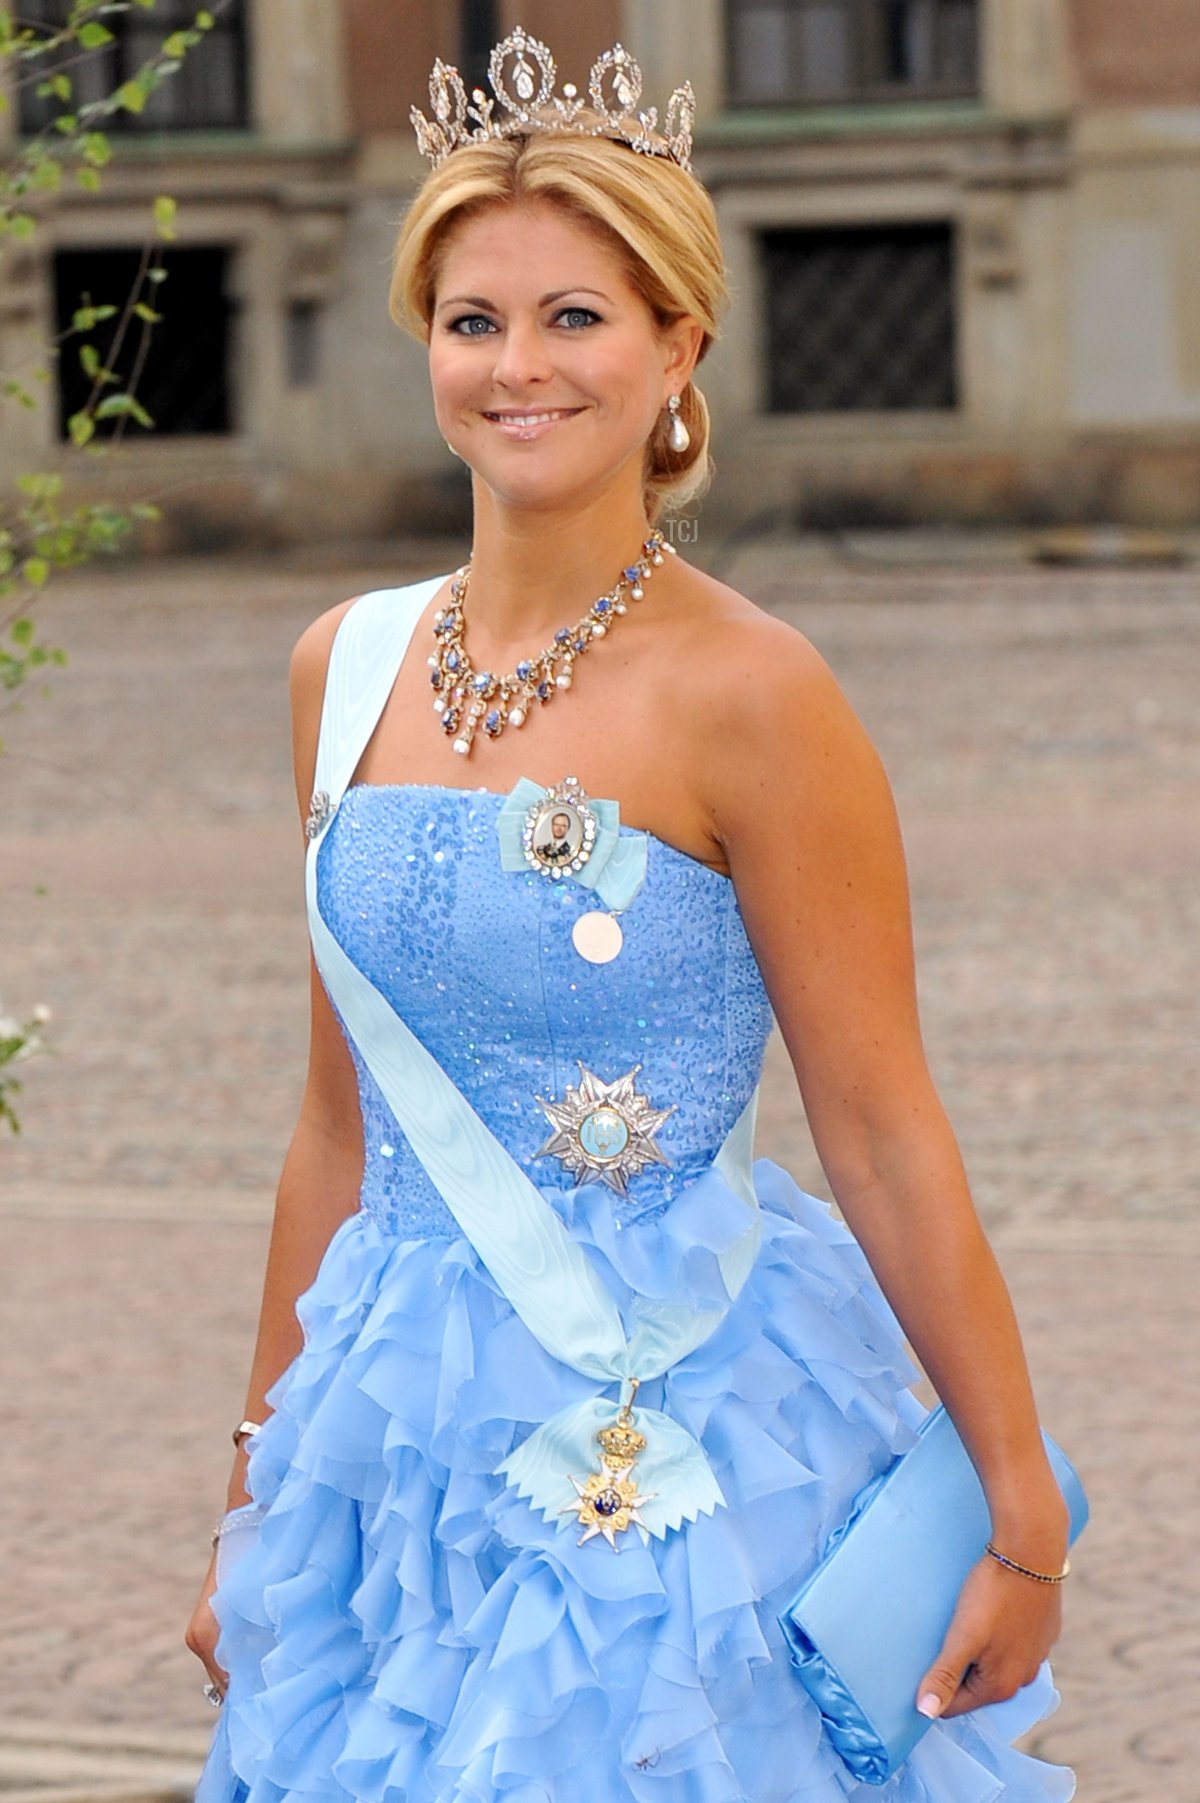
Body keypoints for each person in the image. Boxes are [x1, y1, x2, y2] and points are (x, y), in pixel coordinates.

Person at [187, 26, 1076, 1801]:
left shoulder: (760, 695)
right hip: (395, 1434)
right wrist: (260, 1482)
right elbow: (334, 1122)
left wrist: (1022, 1504)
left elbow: (883, 1128)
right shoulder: (337, 668)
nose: (519, 369)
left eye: (577, 316)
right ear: (425, 345)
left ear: (678, 346)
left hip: (675, 1421)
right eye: (474, 320)